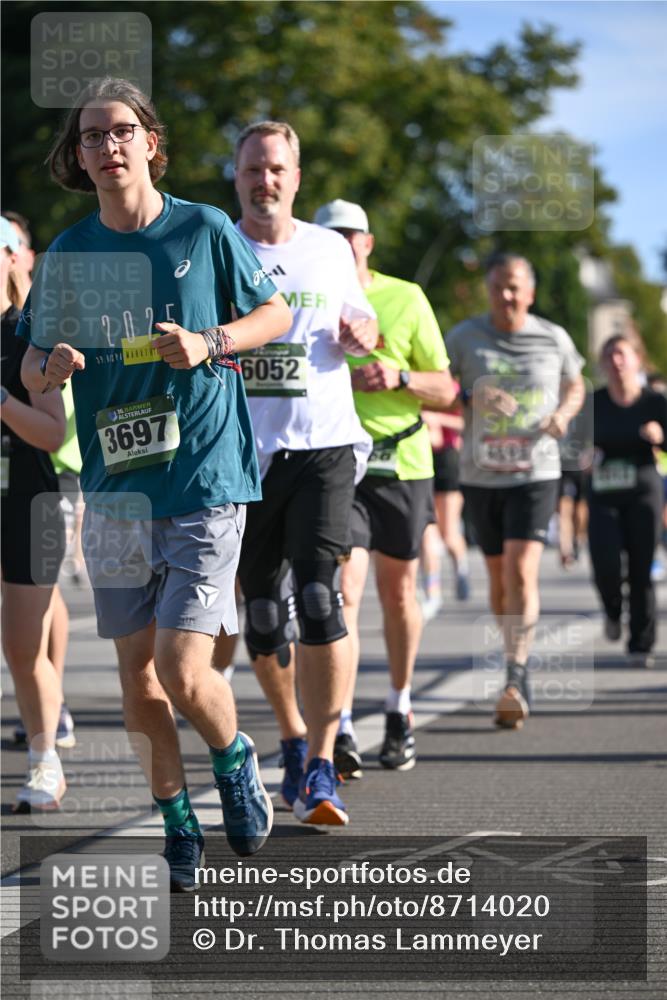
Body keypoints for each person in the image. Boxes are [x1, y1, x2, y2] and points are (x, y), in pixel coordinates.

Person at [18, 77, 292, 887]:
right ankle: (177, 821)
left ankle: (235, 756)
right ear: (79, 156)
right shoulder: (68, 255)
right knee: (136, 676)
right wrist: (49, 365)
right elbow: (33, 369)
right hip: (115, 490)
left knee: (179, 669)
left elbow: (273, 316)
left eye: (119, 131)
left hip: (204, 474)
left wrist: (211, 341)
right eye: (90, 137)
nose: (105, 146)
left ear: (149, 142)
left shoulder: (202, 229)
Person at [221, 125, 377, 825]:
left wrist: (360, 335)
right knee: (259, 615)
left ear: (296, 175)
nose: (265, 181)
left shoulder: (328, 249)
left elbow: (360, 319)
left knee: (318, 599)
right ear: (236, 175)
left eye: (276, 168)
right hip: (240, 455)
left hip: (323, 445)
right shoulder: (215, 245)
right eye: (253, 168)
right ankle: (287, 734)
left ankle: (320, 763)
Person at [312, 199, 455, 775]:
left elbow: (447, 388)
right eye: (332, 237)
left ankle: (399, 709)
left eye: (353, 236)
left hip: (403, 460)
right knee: (344, 590)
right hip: (339, 461)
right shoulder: (305, 301)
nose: (344, 246)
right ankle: (341, 724)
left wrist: (398, 377)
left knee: (399, 594)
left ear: (368, 242)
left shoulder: (406, 297)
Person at [446, 253, 585, 728]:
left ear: (531, 292)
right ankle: (512, 658)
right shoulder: (465, 337)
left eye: (515, 287)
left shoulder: (553, 337)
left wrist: (564, 416)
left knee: (522, 571)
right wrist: (469, 396)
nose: (507, 295)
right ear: (489, 290)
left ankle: (516, 673)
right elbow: (438, 388)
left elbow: (576, 384)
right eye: (499, 286)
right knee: (500, 579)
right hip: (481, 474)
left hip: (536, 471)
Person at [1, 214, 68, 810]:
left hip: (30, 502)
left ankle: (46, 762)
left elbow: (52, 432)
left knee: (24, 648)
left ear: (9, 259)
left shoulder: (29, 332)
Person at [587, 335, 667, 666]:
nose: (615, 361)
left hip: (643, 487)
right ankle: (611, 609)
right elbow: (573, 448)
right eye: (608, 355)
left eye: (621, 354)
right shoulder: (595, 402)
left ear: (637, 359)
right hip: (604, 489)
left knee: (640, 566)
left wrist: (660, 437)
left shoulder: (655, 403)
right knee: (605, 561)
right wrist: (583, 456)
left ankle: (640, 643)